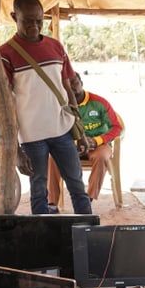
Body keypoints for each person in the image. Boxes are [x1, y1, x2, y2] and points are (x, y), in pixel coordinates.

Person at [0, 0, 91, 215]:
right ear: (14, 17)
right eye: (27, 20)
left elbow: (68, 89)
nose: (34, 26)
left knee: (77, 186)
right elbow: (6, 103)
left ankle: (89, 235)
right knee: (39, 190)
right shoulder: (5, 53)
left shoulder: (56, 47)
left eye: (39, 20)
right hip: (31, 137)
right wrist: (16, 151)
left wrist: (79, 130)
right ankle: (43, 240)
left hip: (62, 130)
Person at [47, 73, 122, 208]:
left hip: (98, 145)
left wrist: (97, 140)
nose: (72, 87)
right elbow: (55, 129)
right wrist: (74, 143)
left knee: (102, 156)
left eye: (74, 82)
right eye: (67, 85)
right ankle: (52, 203)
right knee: (53, 157)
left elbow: (117, 127)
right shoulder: (61, 105)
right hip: (72, 146)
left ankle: (89, 199)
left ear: (82, 83)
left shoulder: (99, 102)